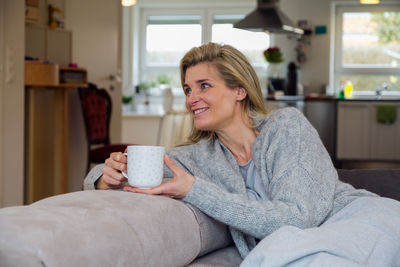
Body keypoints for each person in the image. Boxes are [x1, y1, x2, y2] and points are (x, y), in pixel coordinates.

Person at [84, 42, 400, 266]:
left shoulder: (286, 126)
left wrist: (196, 190)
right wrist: (105, 178)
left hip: (356, 220)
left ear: (239, 90)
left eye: (203, 85)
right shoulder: (195, 158)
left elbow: (299, 219)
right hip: (295, 245)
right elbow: (119, 174)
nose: (192, 98)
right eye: (187, 89)